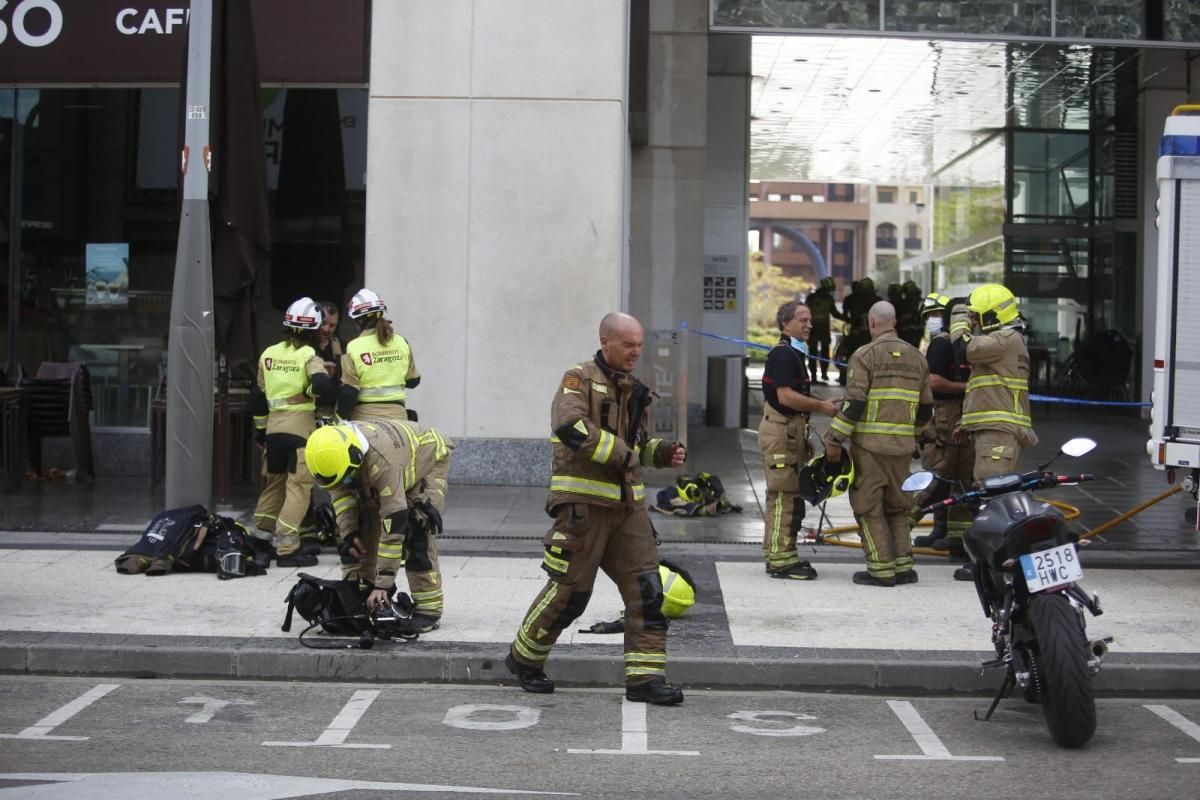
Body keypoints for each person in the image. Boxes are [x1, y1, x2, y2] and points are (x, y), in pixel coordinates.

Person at [505, 312, 688, 705]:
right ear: (605, 342)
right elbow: (570, 427)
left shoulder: (634, 388)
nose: (636, 352)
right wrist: (623, 454)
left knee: (647, 592)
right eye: (628, 344)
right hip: (584, 510)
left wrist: (662, 452)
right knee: (570, 595)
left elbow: (638, 446)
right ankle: (524, 658)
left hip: (628, 509)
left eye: (639, 345)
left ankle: (644, 679)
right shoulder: (579, 379)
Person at [305, 417, 454, 632]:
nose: (344, 481)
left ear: (355, 456)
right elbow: (342, 493)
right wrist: (349, 532)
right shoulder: (333, 452)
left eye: (346, 476)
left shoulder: (383, 463)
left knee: (416, 529)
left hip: (429, 457)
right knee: (363, 527)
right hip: (394, 460)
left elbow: (394, 525)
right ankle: (364, 590)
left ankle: (429, 610)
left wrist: (383, 583)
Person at [824, 301, 932, 587]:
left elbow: (855, 403)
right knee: (899, 508)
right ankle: (904, 566)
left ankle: (881, 568)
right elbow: (925, 409)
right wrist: (912, 435)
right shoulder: (918, 358)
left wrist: (834, 439)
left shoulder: (864, 356)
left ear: (872, 323)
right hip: (902, 450)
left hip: (870, 449)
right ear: (893, 322)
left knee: (869, 508)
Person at [953, 284, 1038, 581]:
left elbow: (963, 349)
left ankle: (988, 565)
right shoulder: (1007, 340)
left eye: (976, 317)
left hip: (999, 434)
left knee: (992, 495)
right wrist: (969, 422)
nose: (974, 323)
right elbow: (990, 390)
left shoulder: (1004, 338)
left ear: (992, 315)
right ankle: (992, 562)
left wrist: (958, 322)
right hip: (994, 431)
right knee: (994, 493)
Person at [250, 297, 335, 567]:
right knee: (298, 488)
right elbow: (321, 384)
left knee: (274, 486)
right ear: (313, 328)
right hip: (299, 432)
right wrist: (307, 393)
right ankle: (287, 547)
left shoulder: (269, 354)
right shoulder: (308, 355)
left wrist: (261, 431)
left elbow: (258, 396)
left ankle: (260, 540)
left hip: (273, 431)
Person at [759, 301, 840, 579]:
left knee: (782, 496)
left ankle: (776, 552)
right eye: (802, 320)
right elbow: (785, 396)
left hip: (789, 431)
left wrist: (820, 404)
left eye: (809, 320)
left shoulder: (794, 354)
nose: (809, 324)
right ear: (786, 324)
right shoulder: (783, 355)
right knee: (786, 497)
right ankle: (782, 560)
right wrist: (822, 408)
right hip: (782, 433)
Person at [910, 295, 974, 555]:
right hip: (946, 416)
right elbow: (934, 382)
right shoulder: (942, 345)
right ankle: (903, 524)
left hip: (964, 416)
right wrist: (971, 387)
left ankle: (954, 536)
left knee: (961, 479)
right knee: (939, 476)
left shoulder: (969, 345)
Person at [338, 288, 420, 423]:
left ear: (359, 320)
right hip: (399, 419)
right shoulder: (401, 341)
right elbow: (414, 381)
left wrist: (340, 417)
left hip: (364, 420)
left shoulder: (353, 346)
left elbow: (349, 391)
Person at [835, 277, 882, 385]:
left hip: (856, 334)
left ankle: (844, 379)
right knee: (874, 358)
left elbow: (846, 315)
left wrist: (850, 321)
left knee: (850, 356)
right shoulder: (878, 300)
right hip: (873, 334)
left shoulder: (851, 299)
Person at [804, 277, 837, 383]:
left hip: (818, 329)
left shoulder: (813, 298)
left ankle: (821, 374)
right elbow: (834, 313)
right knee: (818, 352)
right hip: (817, 329)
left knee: (819, 352)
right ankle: (817, 375)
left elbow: (834, 312)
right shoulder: (820, 298)